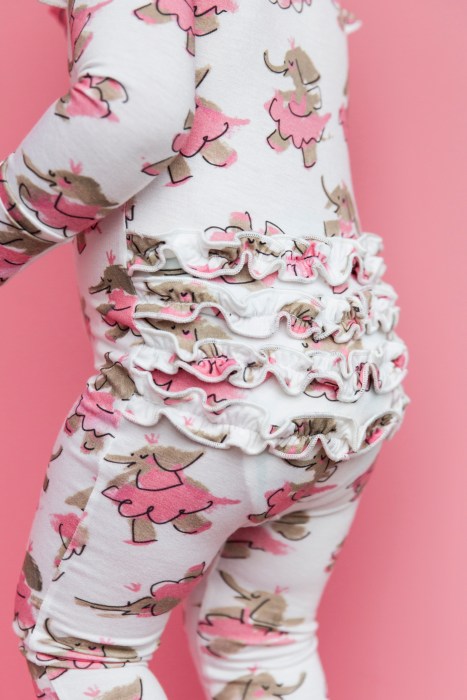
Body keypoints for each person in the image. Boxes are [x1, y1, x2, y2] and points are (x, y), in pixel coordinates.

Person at [1, 1, 411, 698]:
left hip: (194, 382)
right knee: (261, 646)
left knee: (85, 657)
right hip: (344, 371)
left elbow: (131, 113)